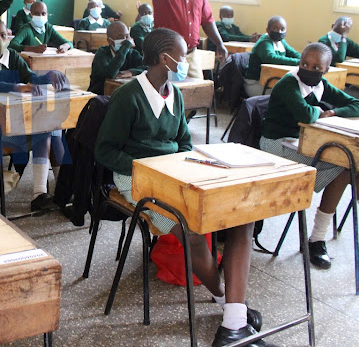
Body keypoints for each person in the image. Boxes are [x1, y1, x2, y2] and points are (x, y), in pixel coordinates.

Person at [95, 28, 262, 346]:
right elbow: (105, 151)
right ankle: (225, 299)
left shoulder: (176, 94)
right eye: (182, 55)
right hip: (133, 176)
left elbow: (184, 142)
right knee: (193, 234)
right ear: (164, 59)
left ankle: (232, 310)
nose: (186, 61)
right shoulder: (128, 97)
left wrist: (186, 162)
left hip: (171, 172)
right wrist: (151, 163)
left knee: (232, 212)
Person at [260, 43, 359, 267]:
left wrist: (333, 112)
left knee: (353, 168)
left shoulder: (321, 85)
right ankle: (318, 239)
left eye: (316, 67)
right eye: (304, 64)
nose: (309, 70)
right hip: (276, 144)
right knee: (345, 167)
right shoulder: (288, 83)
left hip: (303, 142)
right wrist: (321, 112)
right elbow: (306, 114)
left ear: (326, 70)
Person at [0, 18, 67, 211]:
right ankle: (42, 193)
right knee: (46, 129)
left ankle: (60, 189)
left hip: (16, 118)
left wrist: (49, 75)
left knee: (53, 128)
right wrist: (15, 87)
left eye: (3, 35)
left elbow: (31, 77)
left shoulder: (12, 55)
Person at [132, 0, 228, 78]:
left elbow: (208, 21)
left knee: (197, 92)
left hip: (191, 55)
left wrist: (220, 44)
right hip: (167, 56)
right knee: (169, 93)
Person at [244, 16, 300, 96]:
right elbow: (271, 58)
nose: (279, 32)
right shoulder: (264, 42)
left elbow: (294, 53)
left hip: (271, 83)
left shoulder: (281, 42)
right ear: (268, 30)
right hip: (256, 84)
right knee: (285, 97)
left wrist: (305, 61)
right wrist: (298, 62)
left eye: (282, 29)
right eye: (275, 28)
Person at [88, 21, 145, 95]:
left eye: (127, 36)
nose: (125, 40)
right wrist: (125, 47)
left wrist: (131, 72)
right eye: (120, 37)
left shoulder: (132, 53)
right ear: (110, 41)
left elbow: (147, 67)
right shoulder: (102, 53)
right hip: (101, 96)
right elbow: (110, 74)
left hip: (124, 93)